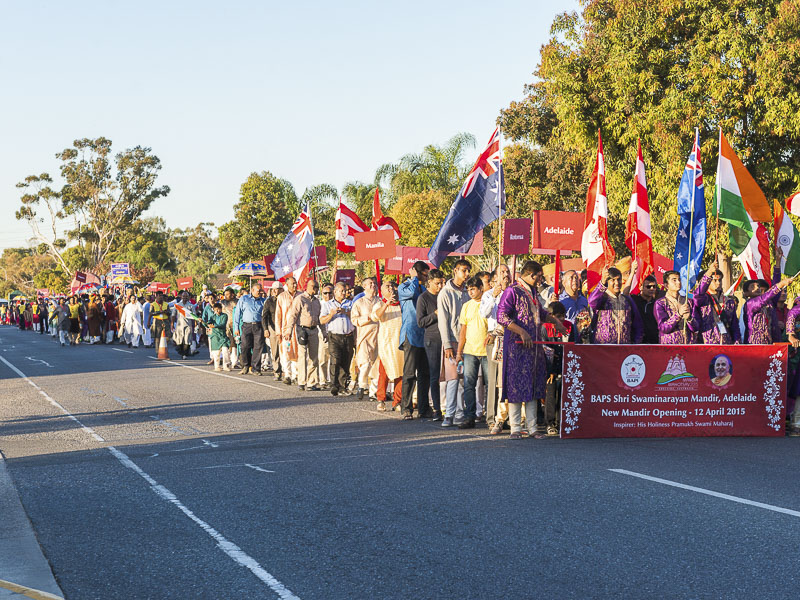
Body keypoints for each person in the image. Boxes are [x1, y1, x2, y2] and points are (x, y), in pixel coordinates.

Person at [498, 260, 568, 439]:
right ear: (531, 274)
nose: (540, 280)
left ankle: (532, 427)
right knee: (516, 386)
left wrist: (556, 322)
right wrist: (521, 331)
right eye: (538, 277)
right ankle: (515, 428)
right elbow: (502, 316)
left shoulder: (533, 293)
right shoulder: (512, 291)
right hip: (516, 347)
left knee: (533, 384)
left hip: (533, 348)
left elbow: (541, 314)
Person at [437, 259, 472, 424]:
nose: (466, 274)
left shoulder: (468, 292)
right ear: (455, 271)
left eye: (468, 271)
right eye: (463, 270)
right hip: (452, 341)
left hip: (469, 341)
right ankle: (449, 414)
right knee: (452, 379)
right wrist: (447, 344)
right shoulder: (446, 292)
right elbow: (443, 321)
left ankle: (461, 412)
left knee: (466, 379)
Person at [398, 261, 431, 420]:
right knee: (409, 373)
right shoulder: (403, 287)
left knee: (424, 373)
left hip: (424, 333)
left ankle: (424, 407)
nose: (424, 277)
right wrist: (414, 278)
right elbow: (410, 294)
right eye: (422, 274)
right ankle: (406, 407)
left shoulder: (425, 289)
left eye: (425, 274)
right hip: (410, 334)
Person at [481, 264, 512, 434]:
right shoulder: (488, 294)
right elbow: (484, 314)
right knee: (494, 380)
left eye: (507, 272)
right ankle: (492, 418)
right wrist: (494, 296)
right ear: (495, 278)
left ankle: (509, 417)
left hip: (511, 338)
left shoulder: (514, 292)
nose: (506, 274)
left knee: (508, 379)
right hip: (494, 338)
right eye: (502, 272)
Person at [455, 276, 488, 429]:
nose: (471, 292)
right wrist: (459, 351)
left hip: (487, 351)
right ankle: (469, 417)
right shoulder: (466, 306)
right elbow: (463, 330)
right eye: (468, 290)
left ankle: (492, 417)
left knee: (490, 385)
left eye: (473, 289)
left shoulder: (488, 303)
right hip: (469, 351)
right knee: (469, 385)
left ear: (481, 288)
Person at [416, 268, 446, 421]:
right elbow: (420, 322)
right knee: (434, 375)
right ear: (429, 283)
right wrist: (434, 314)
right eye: (437, 283)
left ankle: (449, 407)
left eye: (442, 283)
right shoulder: (423, 298)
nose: (441, 286)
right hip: (432, 339)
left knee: (449, 376)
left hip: (447, 338)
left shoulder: (444, 295)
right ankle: (437, 408)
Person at [542, 301, 574, 436]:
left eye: (563, 316)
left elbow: (574, 343)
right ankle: (550, 423)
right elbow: (544, 348)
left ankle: (562, 421)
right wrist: (549, 370)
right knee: (550, 394)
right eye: (557, 316)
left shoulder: (570, 326)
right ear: (551, 316)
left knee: (564, 395)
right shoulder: (545, 327)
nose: (561, 319)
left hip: (565, 363)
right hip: (550, 366)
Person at [588, 266, 644, 344]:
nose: (617, 283)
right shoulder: (602, 298)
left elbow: (638, 325)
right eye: (613, 280)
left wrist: (635, 345)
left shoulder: (627, 300)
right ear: (607, 281)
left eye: (619, 279)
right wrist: (602, 283)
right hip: (602, 349)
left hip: (624, 349)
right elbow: (591, 302)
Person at [372, 280, 404, 412]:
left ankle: (397, 401)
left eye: (393, 286)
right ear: (382, 290)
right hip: (386, 344)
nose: (391, 288)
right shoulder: (379, 303)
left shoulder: (403, 303)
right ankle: (381, 399)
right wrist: (387, 304)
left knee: (400, 373)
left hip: (400, 343)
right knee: (384, 373)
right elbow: (375, 317)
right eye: (387, 286)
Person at [287, 279, 322, 391]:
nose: (316, 289)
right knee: (302, 356)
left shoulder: (317, 301)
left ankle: (312, 382)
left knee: (314, 357)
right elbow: (293, 315)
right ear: (309, 287)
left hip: (314, 329)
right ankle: (301, 381)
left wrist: (324, 332)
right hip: (302, 329)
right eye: (315, 287)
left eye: (317, 287)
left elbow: (319, 318)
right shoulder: (300, 299)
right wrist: (289, 330)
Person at [320, 281, 354, 396]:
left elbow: (355, 317)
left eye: (345, 291)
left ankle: (342, 386)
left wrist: (345, 312)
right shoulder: (327, 304)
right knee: (335, 360)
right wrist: (331, 314)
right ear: (335, 292)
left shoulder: (350, 303)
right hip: (334, 335)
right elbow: (322, 320)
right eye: (341, 291)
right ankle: (334, 384)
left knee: (346, 360)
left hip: (348, 336)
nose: (344, 293)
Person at [693, 264, 740, 344]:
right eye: (714, 280)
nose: (718, 283)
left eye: (720, 280)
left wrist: (737, 342)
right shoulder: (703, 299)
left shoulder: (729, 301)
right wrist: (709, 273)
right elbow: (698, 294)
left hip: (726, 342)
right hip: (707, 343)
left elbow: (734, 325)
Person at [351, 277, 381, 400]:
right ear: (364, 287)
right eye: (370, 284)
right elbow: (354, 320)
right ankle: (362, 385)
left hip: (379, 336)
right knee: (365, 363)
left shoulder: (380, 301)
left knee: (376, 365)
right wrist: (368, 318)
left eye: (374, 283)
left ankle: (373, 392)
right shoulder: (359, 302)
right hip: (365, 337)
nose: (373, 285)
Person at [654, 270, 698, 344]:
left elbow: (696, 328)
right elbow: (663, 328)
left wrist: (689, 318)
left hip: (688, 344)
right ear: (666, 285)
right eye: (674, 280)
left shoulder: (688, 301)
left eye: (679, 279)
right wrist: (678, 315)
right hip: (670, 345)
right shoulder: (660, 303)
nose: (678, 282)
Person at [235, 283, 266, 375]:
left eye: (261, 290)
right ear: (252, 290)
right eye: (258, 291)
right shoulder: (244, 299)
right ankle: (245, 365)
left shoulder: (263, 301)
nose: (260, 292)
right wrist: (236, 328)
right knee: (244, 346)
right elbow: (237, 313)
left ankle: (256, 368)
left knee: (258, 347)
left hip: (258, 326)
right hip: (246, 326)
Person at [275, 277, 300, 384]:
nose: (294, 285)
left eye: (295, 283)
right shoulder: (281, 297)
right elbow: (278, 315)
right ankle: (288, 374)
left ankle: (296, 375)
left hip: (298, 329)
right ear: (287, 284)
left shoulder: (300, 296)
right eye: (292, 284)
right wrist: (278, 331)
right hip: (285, 330)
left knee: (297, 352)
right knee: (286, 352)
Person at [207, 302, 232, 371]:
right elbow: (208, 323)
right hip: (215, 336)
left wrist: (215, 326)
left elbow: (223, 324)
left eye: (218, 309)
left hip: (223, 335)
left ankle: (226, 365)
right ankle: (217, 366)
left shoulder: (224, 316)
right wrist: (204, 322)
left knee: (225, 351)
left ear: (221, 309)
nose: (217, 311)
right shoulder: (212, 317)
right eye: (215, 310)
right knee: (216, 353)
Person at [172, 290, 195, 359]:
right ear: (181, 297)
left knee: (187, 340)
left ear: (188, 297)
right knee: (179, 340)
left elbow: (194, 316)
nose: (185, 297)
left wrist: (195, 325)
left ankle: (184, 354)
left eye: (186, 296)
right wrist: (172, 324)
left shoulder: (191, 306)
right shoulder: (178, 305)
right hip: (179, 325)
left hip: (188, 325)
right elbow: (173, 315)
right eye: (183, 296)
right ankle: (181, 352)